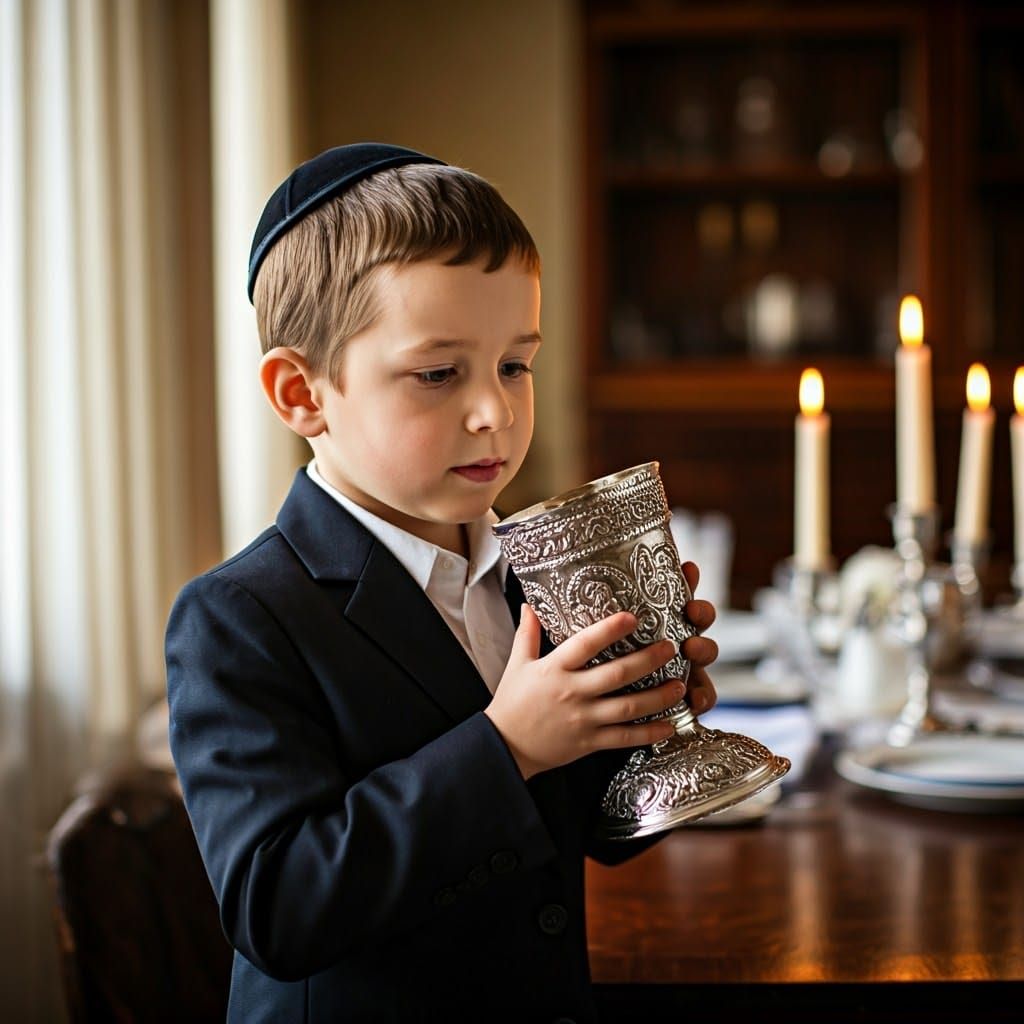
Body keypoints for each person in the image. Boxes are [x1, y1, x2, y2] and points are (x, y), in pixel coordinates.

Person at [165, 142, 719, 1024]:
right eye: (438, 373)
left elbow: (577, 843)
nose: (495, 410)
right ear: (301, 393)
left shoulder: (533, 573)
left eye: (516, 364)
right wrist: (509, 746)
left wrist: (637, 718)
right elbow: (278, 904)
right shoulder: (239, 617)